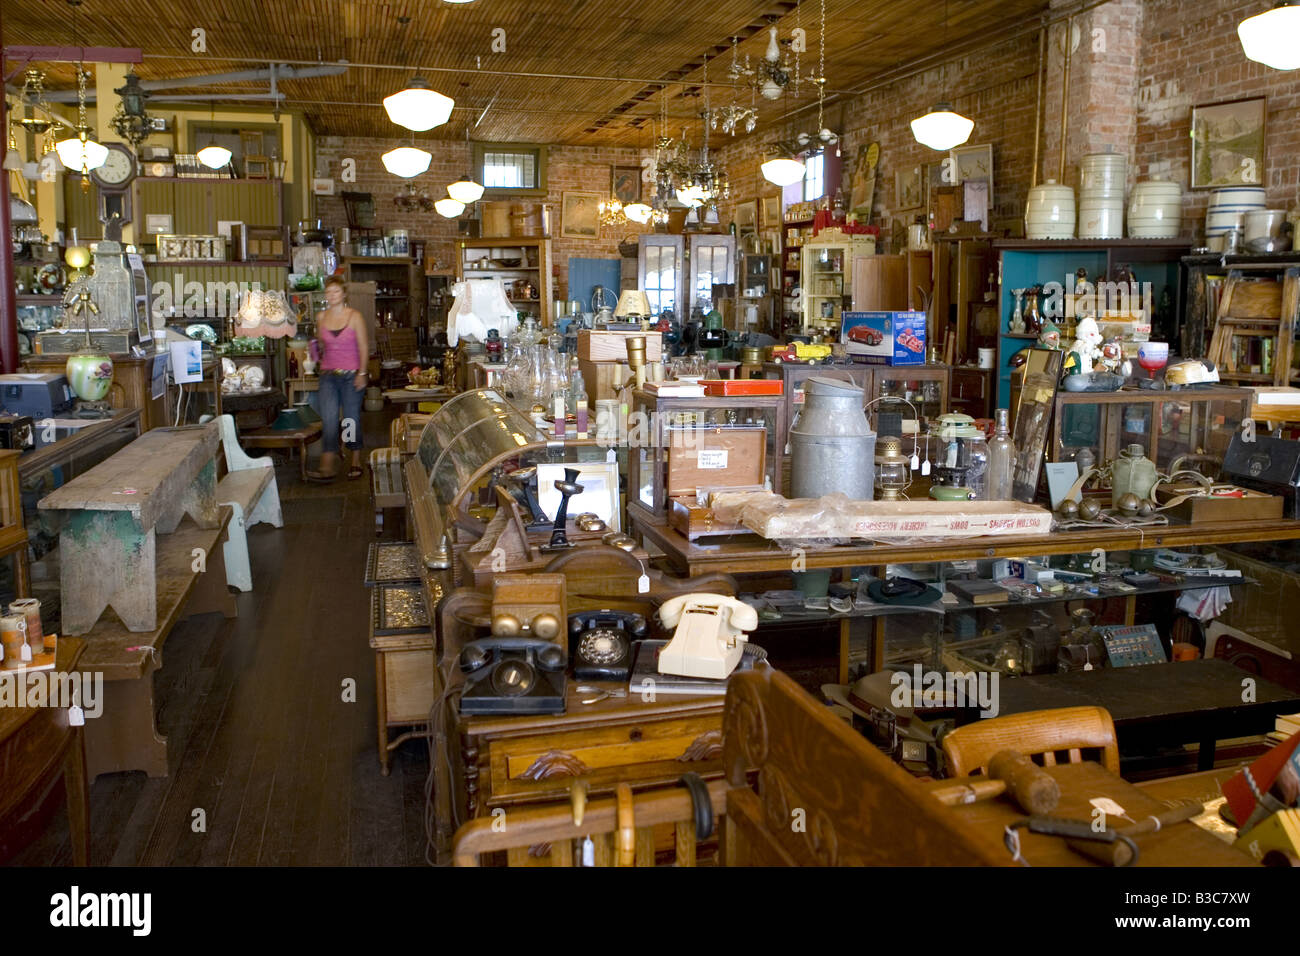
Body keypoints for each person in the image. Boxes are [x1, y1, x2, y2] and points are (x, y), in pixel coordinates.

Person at [308, 275, 368, 481]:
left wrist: (362, 373)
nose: (332, 295)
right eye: (328, 292)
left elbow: (363, 347)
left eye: (336, 291)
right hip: (328, 375)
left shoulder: (355, 317)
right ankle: (328, 464)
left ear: (343, 294)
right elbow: (318, 344)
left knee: (350, 418)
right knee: (329, 418)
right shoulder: (321, 317)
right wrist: (314, 357)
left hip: (352, 375)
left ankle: (355, 459)